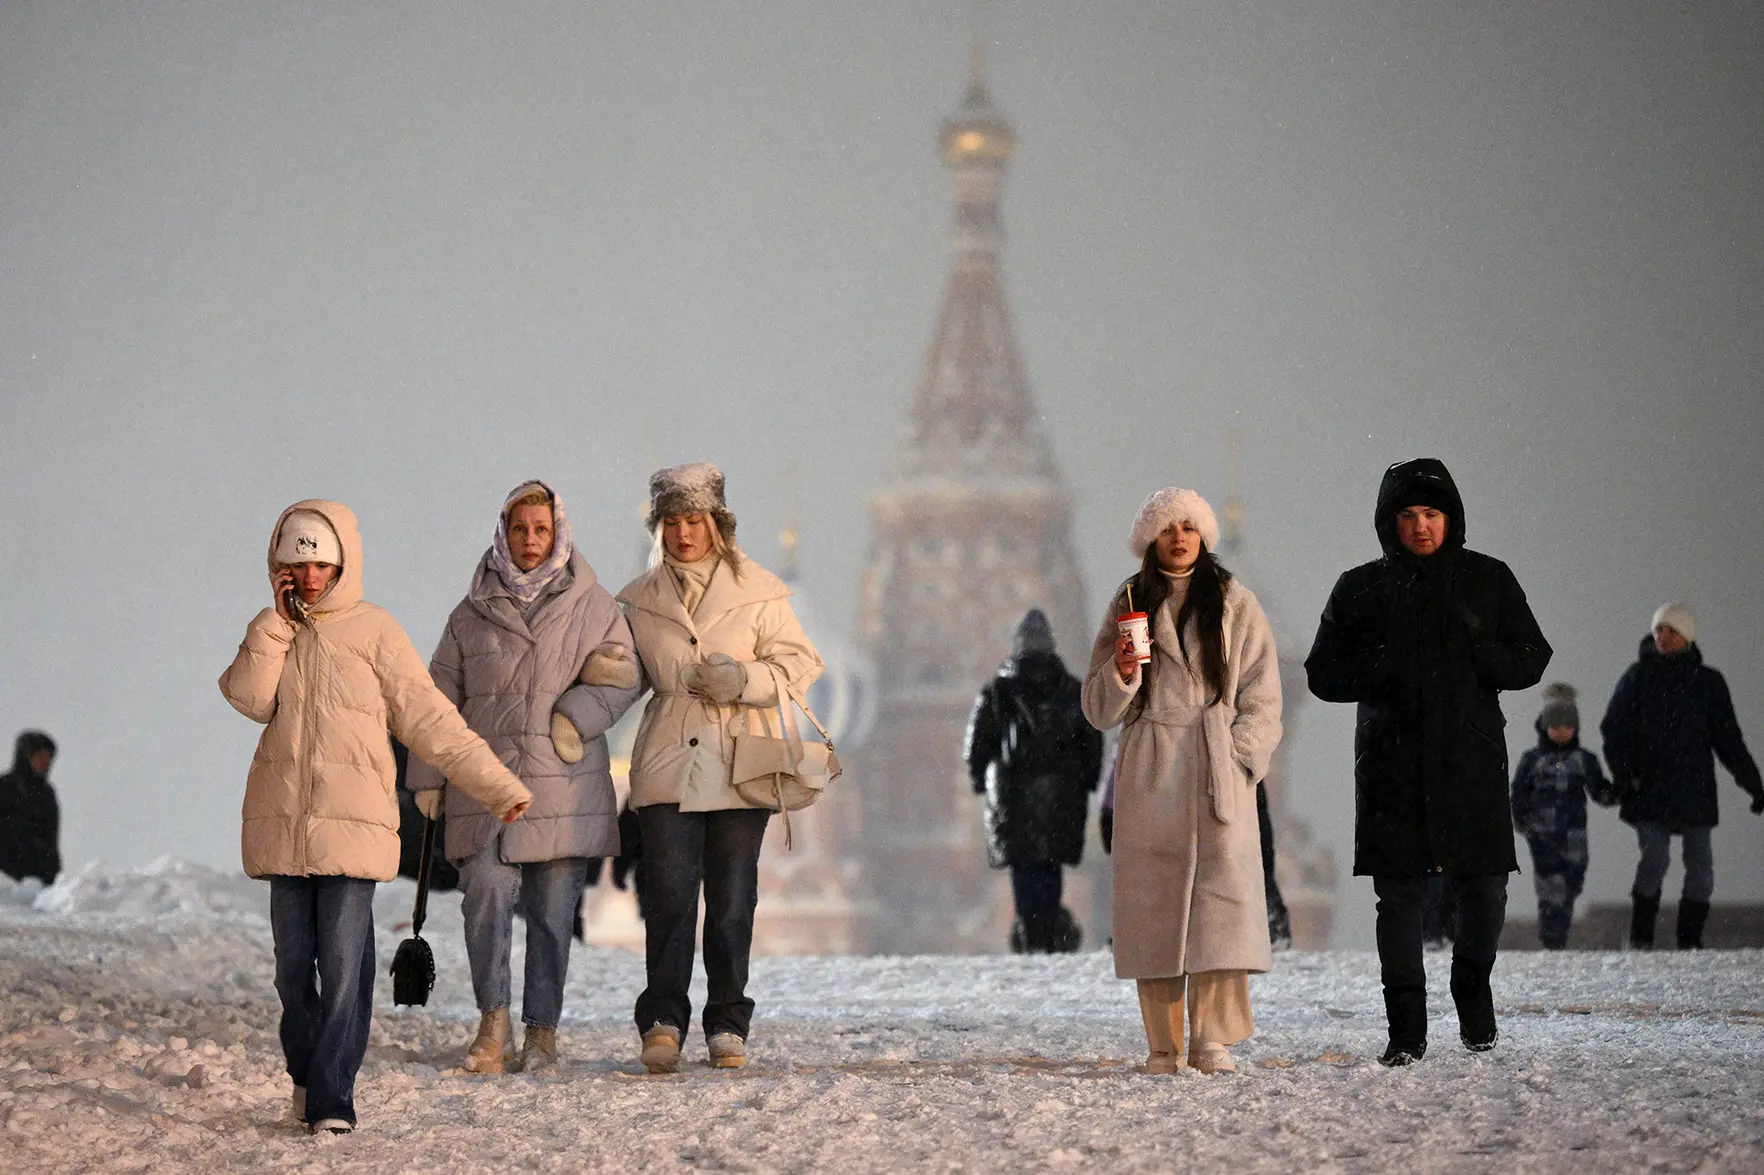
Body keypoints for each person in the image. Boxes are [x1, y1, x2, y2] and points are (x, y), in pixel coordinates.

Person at [220, 500, 533, 1135]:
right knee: (291, 970)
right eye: (296, 564)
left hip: (355, 827)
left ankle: (333, 1097)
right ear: (280, 566)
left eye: (321, 564)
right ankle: (307, 1074)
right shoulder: (274, 630)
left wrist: (496, 785)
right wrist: (276, 626)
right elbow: (249, 698)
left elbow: (430, 719)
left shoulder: (374, 631)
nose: (310, 577)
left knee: (341, 968)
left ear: (343, 562)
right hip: (283, 828)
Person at [558, 463, 822, 1073]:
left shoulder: (761, 591)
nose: (682, 534)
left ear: (717, 524)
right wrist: (583, 701)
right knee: (670, 896)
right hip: (670, 759)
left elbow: (799, 664)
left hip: (739, 762)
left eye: (694, 521)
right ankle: (663, 1019)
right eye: (672, 522)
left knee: (732, 901)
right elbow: (627, 681)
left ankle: (728, 1021)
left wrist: (744, 680)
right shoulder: (639, 599)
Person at [1305, 458, 1551, 1065]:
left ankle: (1474, 1003)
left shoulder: (1487, 580)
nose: (1420, 526)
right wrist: (1383, 664)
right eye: (1409, 515)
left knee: (1485, 892)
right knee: (1400, 901)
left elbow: (1532, 657)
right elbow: (1321, 673)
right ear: (1390, 522)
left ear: (1451, 519)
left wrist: (1478, 652)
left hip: (1470, 765)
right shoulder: (1360, 588)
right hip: (1392, 768)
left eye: (1432, 514)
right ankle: (1406, 1035)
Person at [407, 481, 640, 1074]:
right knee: (482, 895)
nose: (530, 541)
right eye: (520, 529)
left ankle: (542, 1031)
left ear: (558, 532)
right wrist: (429, 777)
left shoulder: (594, 606)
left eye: (540, 529)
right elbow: (438, 701)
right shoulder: (469, 614)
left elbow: (622, 676)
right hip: (484, 785)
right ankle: (493, 1024)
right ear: (503, 533)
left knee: (552, 913)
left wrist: (574, 718)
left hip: (563, 780)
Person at [1081, 487, 1283, 1075]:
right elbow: (1097, 707)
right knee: (1155, 910)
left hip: (1216, 768)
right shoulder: (1129, 602)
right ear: (1150, 538)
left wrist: (1240, 755)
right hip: (1153, 768)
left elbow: (1263, 694)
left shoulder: (1235, 602)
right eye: (1169, 527)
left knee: (1220, 907)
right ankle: (1162, 1045)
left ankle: (1212, 1040)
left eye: (1190, 526)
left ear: (1204, 536)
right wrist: (1122, 673)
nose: (1180, 536)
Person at [1600, 603, 1764, 950]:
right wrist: (1627, 774)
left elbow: (1728, 739)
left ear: (1687, 636)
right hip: (1649, 788)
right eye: (1659, 629)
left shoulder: (1708, 683)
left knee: (1700, 868)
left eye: (1671, 630)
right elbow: (1614, 729)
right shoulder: (1637, 677)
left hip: (1695, 789)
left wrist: (1753, 785)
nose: (1662, 636)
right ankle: (1641, 939)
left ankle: (1690, 942)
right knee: (1654, 860)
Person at [965, 608, 1103, 953]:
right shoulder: (1072, 690)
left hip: (1012, 797)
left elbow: (978, 743)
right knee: (1050, 868)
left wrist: (980, 781)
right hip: (1061, 798)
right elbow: (1092, 741)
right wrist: (1088, 781)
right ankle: (1048, 931)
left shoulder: (999, 691)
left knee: (1023, 871)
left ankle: (1031, 935)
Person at [1509, 684, 1616, 949]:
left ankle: (1559, 934)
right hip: (1542, 835)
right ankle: (1552, 940)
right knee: (1550, 888)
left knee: (1571, 886)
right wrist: (1521, 820)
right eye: (1555, 725)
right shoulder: (1532, 760)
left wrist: (1624, 790)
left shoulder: (1584, 759)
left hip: (1574, 836)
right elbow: (1519, 791)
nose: (1561, 731)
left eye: (1567, 725)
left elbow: (1600, 791)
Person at [0, 730, 60, 887]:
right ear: (25, 757)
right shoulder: (6, 787)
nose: (45, 762)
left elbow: (51, 838)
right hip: (7, 881)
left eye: (48, 757)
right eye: (39, 756)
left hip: (39, 881)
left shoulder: (47, 794)